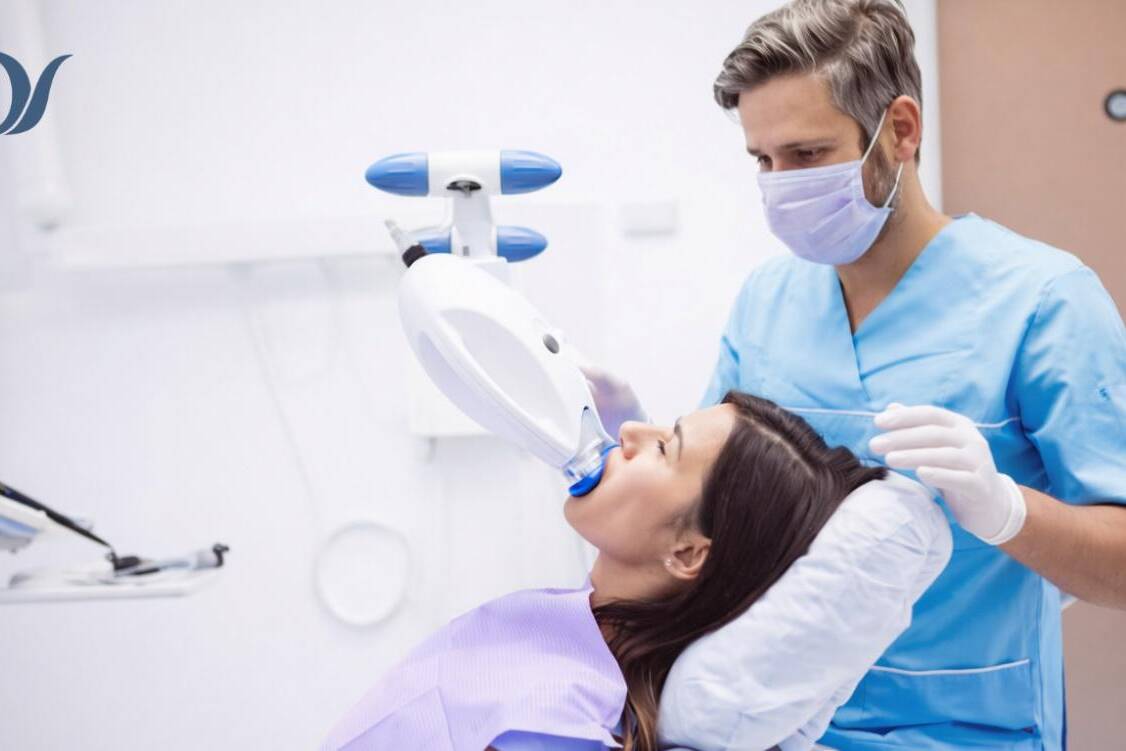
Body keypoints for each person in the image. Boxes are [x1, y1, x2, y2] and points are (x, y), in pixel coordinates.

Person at [587, 1, 1126, 748]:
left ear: (900, 130)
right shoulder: (768, 302)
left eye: (806, 155)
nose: (780, 184)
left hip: (969, 726)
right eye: (762, 161)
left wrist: (1005, 509)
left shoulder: (1044, 301)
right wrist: (616, 446)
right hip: (779, 724)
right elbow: (709, 519)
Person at [321, 392, 885, 751]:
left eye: (665, 448)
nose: (632, 432)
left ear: (688, 553)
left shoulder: (556, 721)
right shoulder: (565, 623)